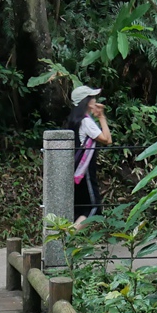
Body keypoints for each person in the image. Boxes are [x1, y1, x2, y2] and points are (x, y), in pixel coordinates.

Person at [65, 84, 112, 227]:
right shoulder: (86, 122)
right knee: (94, 207)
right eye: (92, 97)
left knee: (81, 209)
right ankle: (70, 235)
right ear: (86, 101)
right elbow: (107, 140)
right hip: (84, 171)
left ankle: (70, 237)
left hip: (75, 169)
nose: (95, 99)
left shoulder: (73, 120)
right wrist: (101, 117)